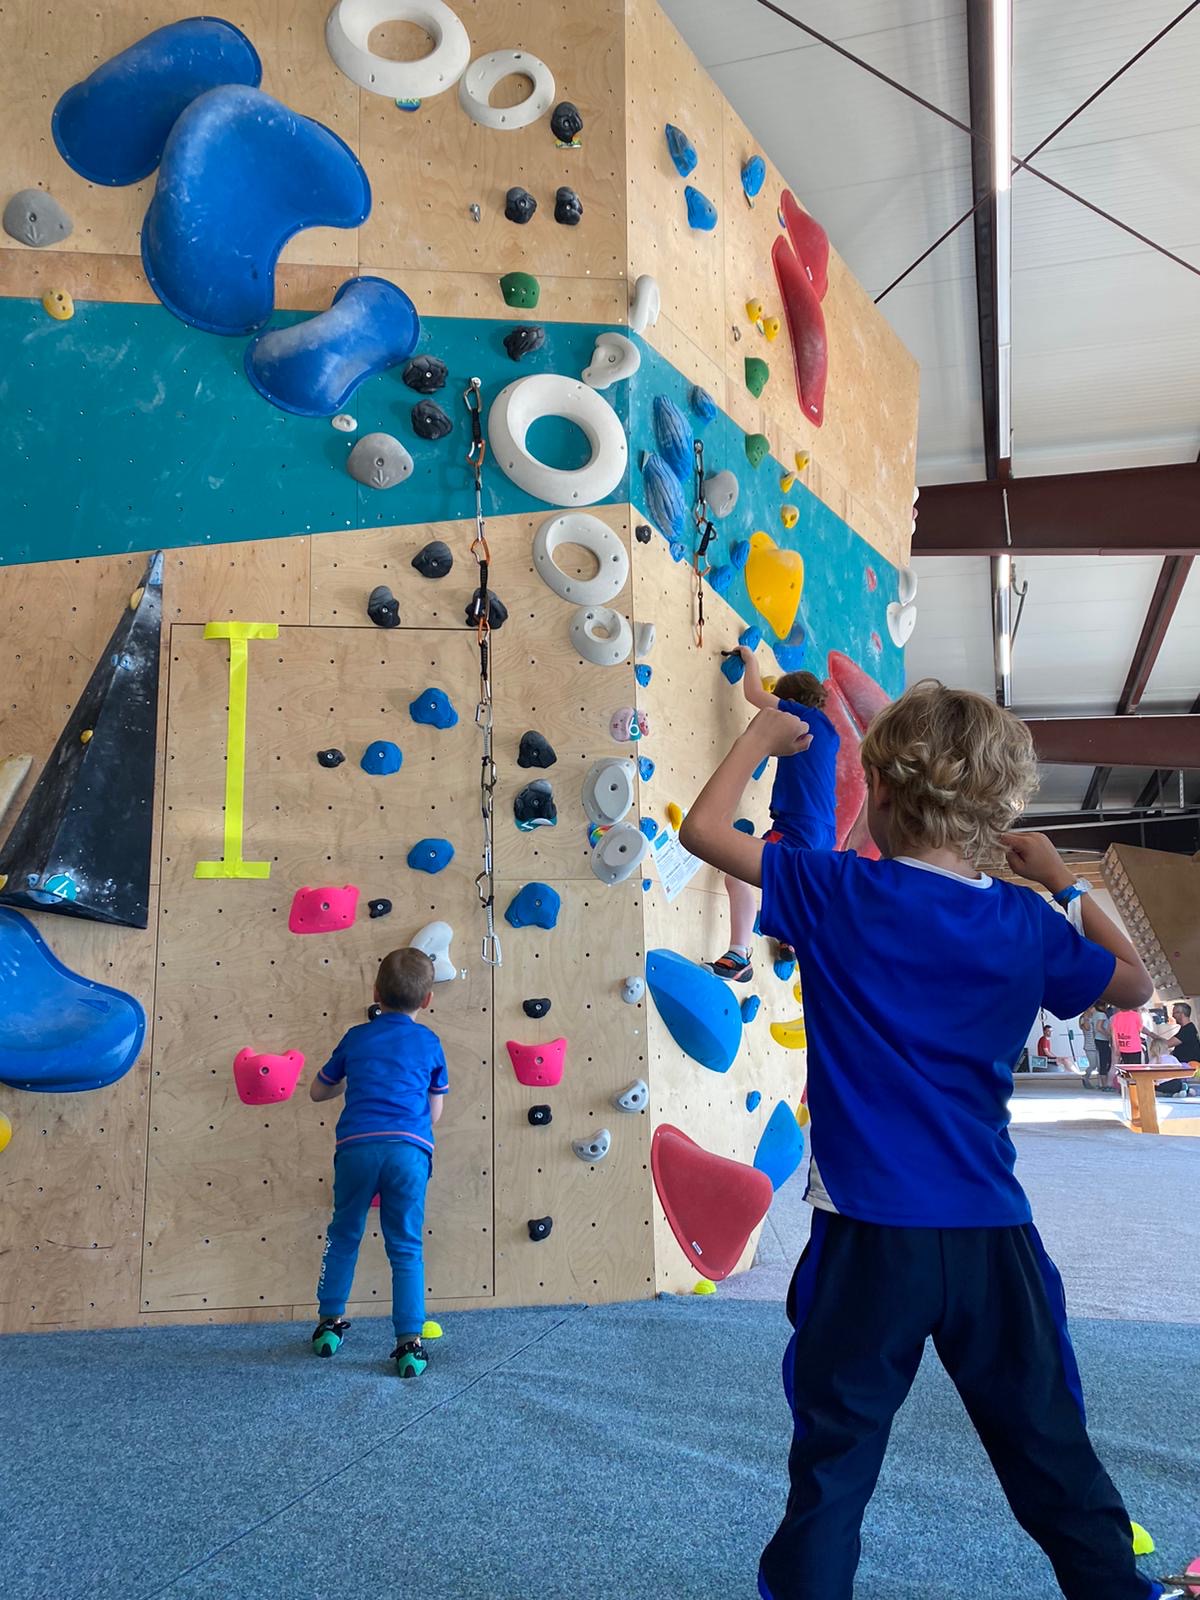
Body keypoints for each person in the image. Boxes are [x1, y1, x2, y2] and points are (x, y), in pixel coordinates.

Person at [678, 679, 1168, 1600]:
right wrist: (1060, 880)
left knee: (834, 1464)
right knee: (1050, 1447)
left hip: (867, 1239)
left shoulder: (835, 889)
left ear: (882, 794)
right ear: (992, 810)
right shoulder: (1024, 920)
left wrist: (762, 737)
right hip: (991, 1236)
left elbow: (703, 832)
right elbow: (1137, 985)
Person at [309, 948, 448, 1378]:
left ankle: (328, 1325)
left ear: (375, 993)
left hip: (356, 1148)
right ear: (427, 1000)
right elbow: (435, 1113)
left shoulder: (356, 1038)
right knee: (406, 1246)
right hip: (408, 1151)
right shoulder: (429, 1042)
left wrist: (348, 1083)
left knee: (343, 1234)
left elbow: (318, 1091)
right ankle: (409, 1343)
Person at [709, 651, 838, 982]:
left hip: (799, 824)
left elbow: (754, 694)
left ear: (790, 701)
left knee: (737, 874)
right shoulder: (830, 733)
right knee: (793, 879)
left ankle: (739, 955)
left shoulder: (800, 716)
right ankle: (790, 940)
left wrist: (750, 659)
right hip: (825, 833)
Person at [1092, 1004, 1114, 1090]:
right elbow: (1099, 1027)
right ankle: (1105, 1084)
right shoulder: (1102, 1014)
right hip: (1102, 1039)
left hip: (1098, 1039)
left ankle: (1102, 1083)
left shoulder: (1095, 1014)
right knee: (1105, 1061)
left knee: (1103, 1060)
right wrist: (1108, 1035)